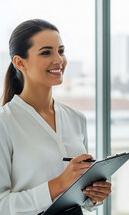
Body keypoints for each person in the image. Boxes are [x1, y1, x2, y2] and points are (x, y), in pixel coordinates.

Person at [0, 19, 111, 215]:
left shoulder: (76, 118)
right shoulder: (5, 123)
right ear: (19, 62)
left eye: (61, 51)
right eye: (46, 52)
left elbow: (79, 197)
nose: (59, 60)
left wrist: (92, 196)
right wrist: (58, 184)